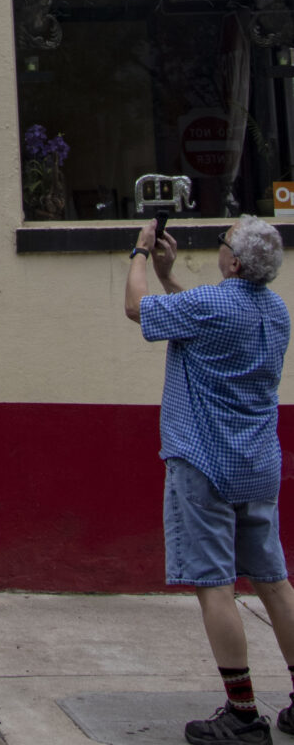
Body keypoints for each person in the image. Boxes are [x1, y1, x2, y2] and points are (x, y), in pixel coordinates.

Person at [128, 215, 294, 744]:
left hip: (203, 463)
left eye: (223, 243)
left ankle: (242, 714)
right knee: (273, 581)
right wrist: (169, 274)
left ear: (235, 261)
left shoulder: (214, 306)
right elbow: (199, 321)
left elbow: (136, 309)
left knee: (214, 585)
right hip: (258, 463)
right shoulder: (276, 311)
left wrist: (138, 254)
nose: (219, 248)